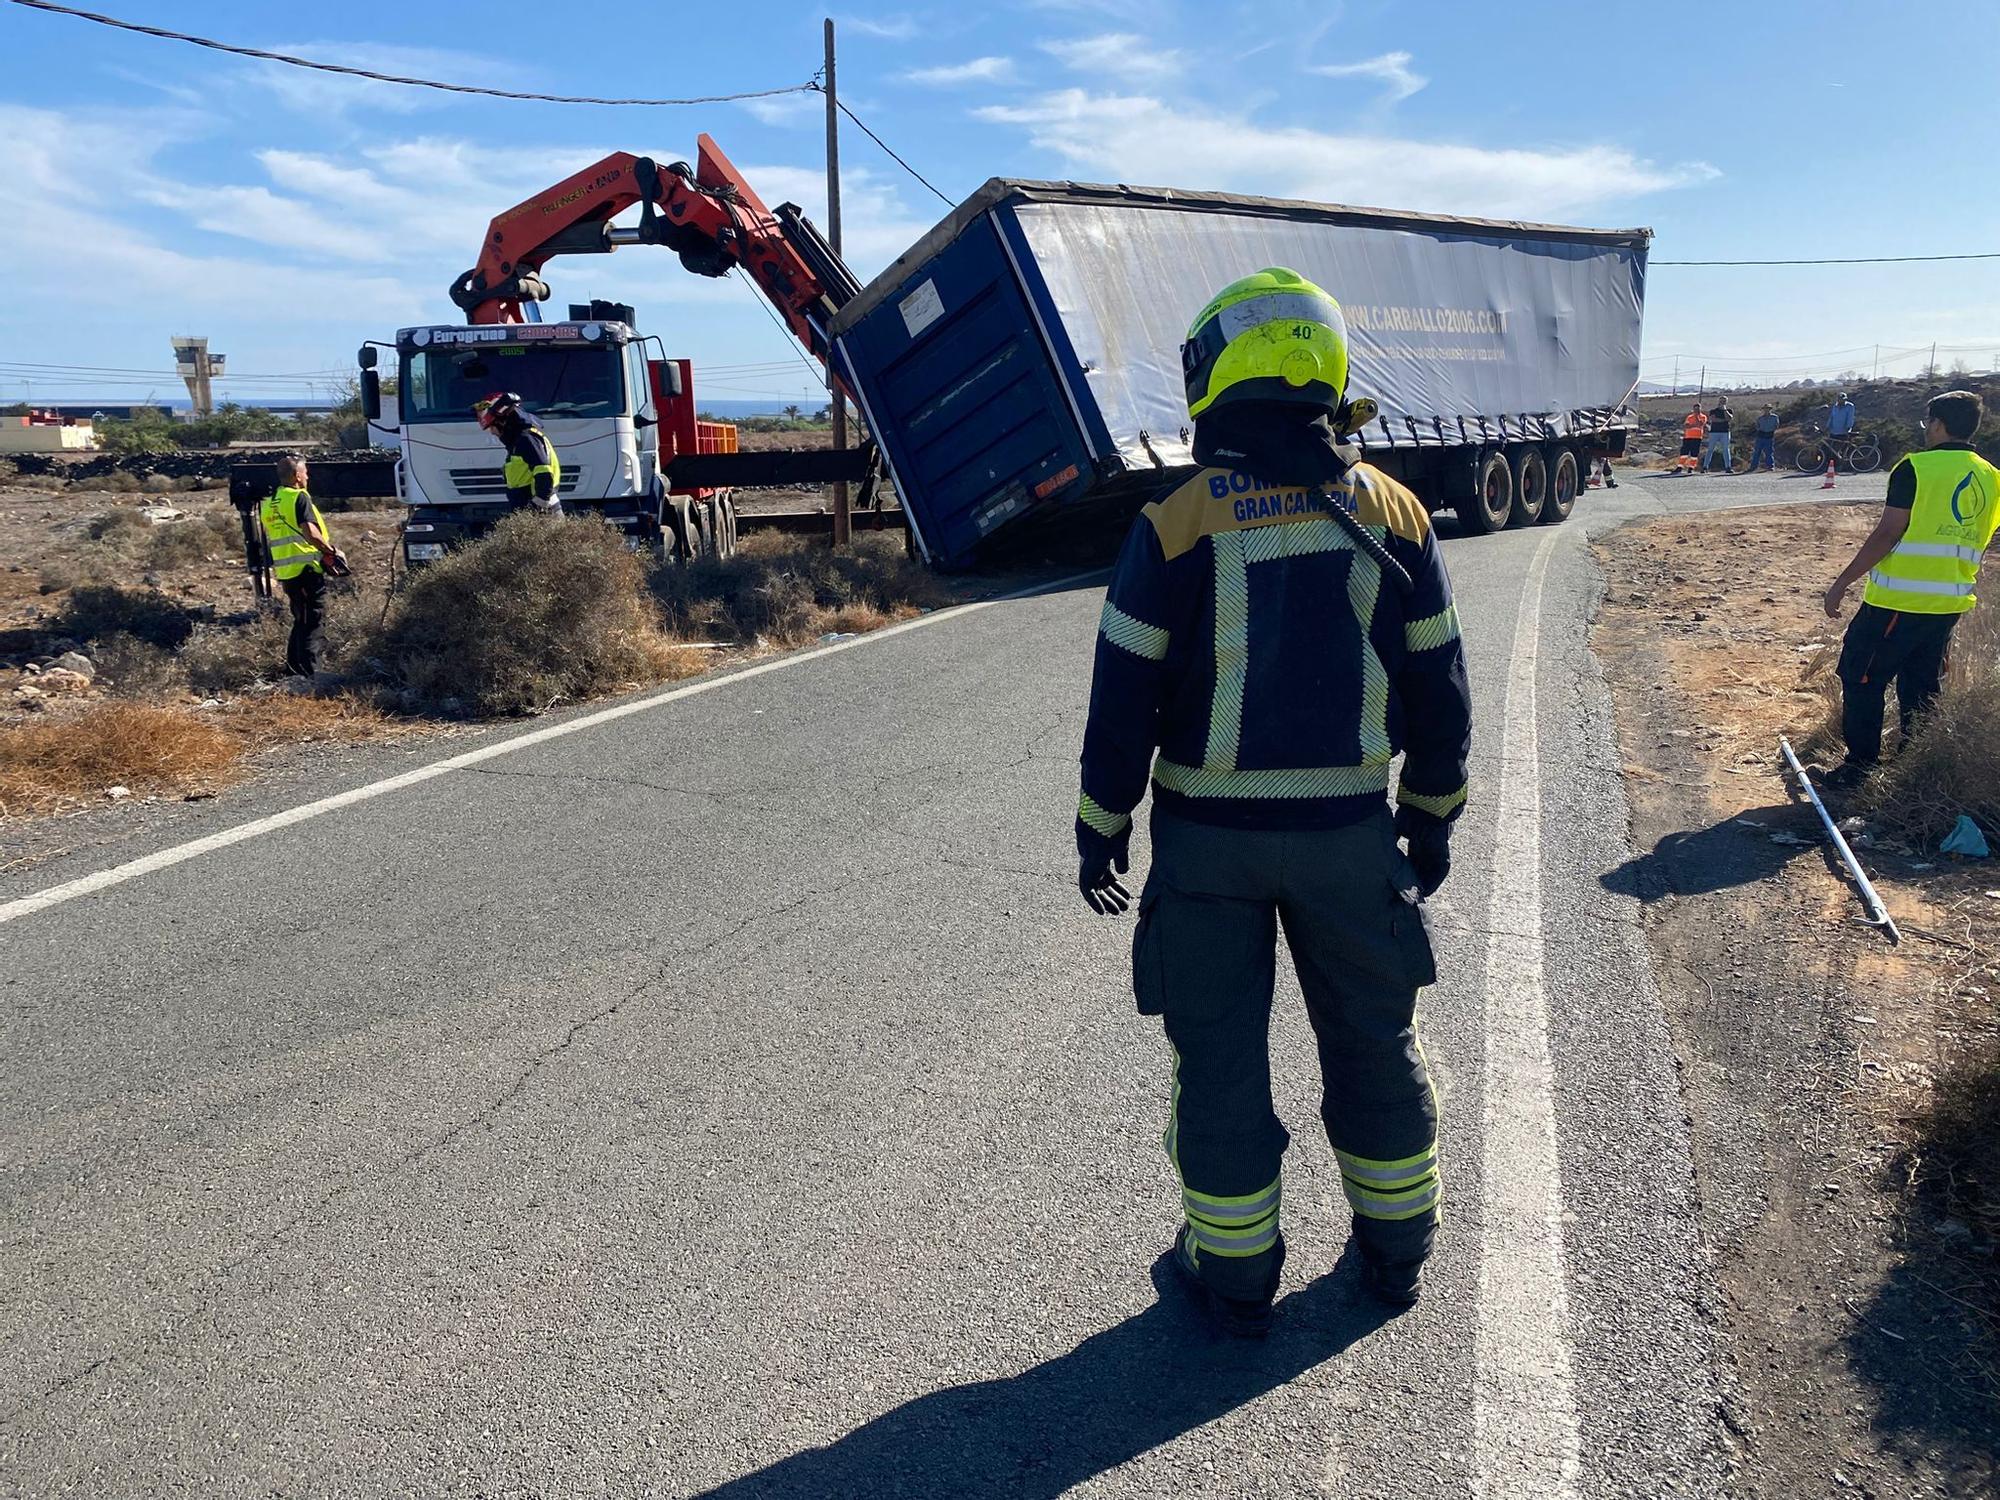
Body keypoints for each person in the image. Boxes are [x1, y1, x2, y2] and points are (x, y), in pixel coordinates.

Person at [1074, 267, 1471, 1335]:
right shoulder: (1390, 508)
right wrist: (1430, 812)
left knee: (1217, 1068)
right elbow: (1437, 678)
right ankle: (1395, 1258)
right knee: (1374, 1047)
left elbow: (1124, 693)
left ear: (1214, 376)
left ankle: (1235, 1279)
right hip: (1350, 840)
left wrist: (1100, 825)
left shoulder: (1174, 519)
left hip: (1208, 851)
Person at [1822, 391, 1999, 784]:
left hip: (1898, 601)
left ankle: (1860, 766)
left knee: (1861, 675)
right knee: (1922, 685)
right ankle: (1913, 768)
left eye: (1927, 423)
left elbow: (1888, 533)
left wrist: (1841, 583)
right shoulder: (1991, 476)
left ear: (1937, 424)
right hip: (1948, 602)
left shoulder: (1914, 468)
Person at [259, 454, 346, 678]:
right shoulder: (299, 497)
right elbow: (310, 532)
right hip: (306, 570)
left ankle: (293, 670)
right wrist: (331, 551)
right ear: (297, 476)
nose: (308, 476)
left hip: (286, 571)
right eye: (305, 472)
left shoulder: (270, 503)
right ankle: (310, 675)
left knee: (301, 619)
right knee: (312, 623)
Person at [472, 391, 563, 513]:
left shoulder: (526, 439)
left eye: (491, 427)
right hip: (531, 514)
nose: (492, 432)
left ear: (502, 422)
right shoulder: (518, 441)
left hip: (542, 515)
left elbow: (545, 476)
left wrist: (535, 510)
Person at [1678, 402, 1708, 474]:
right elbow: (1686, 426)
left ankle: (1691, 467)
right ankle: (1680, 467)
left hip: (1697, 437)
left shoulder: (1703, 417)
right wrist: (1694, 425)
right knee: (1684, 452)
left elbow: (1700, 424)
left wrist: (1697, 418)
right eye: (1695, 409)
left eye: (1698, 409)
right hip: (1688, 436)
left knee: (1694, 453)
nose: (1696, 410)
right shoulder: (1689, 417)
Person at [1705, 398, 1733, 473]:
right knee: (1710, 449)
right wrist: (1723, 420)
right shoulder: (1713, 411)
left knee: (1726, 449)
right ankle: (1705, 467)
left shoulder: (1729, 411)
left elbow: (1728, 418)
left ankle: (1728, 467)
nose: (1722, 402)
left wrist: (1724, 410)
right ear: (1718, 401)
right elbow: (1713, 419)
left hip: (1725, 432)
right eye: (1721, 401)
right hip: (1714, 432)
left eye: (1724, 401)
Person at [1750, 404, 1780, 472]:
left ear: (1770, 409)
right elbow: (1757, 426)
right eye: (1765, 408)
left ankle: (1770, 466)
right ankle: (1753, 466)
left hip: (1769, 435)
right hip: (1760, 435)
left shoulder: (1775, 417)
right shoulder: (1760, 418)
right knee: (1757, 452)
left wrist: (1771, 430)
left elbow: (1776, 425)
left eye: (1768, 408)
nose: (1766, 410)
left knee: (1769, 452)